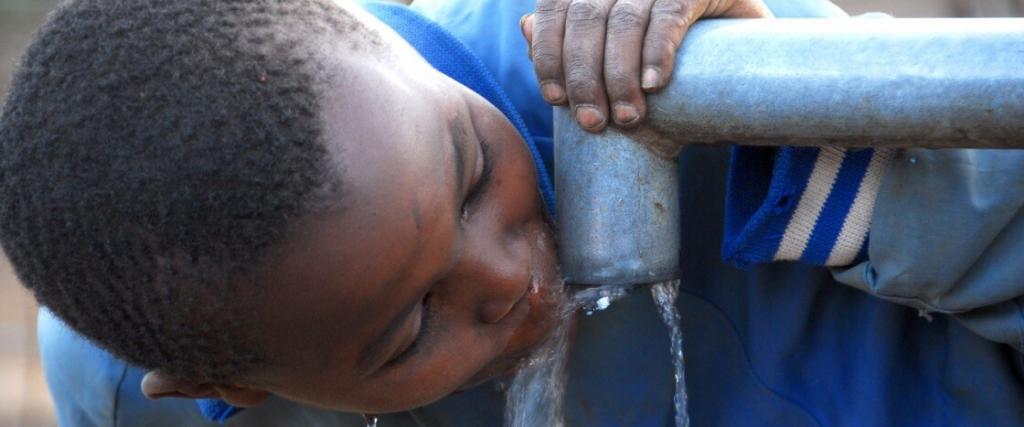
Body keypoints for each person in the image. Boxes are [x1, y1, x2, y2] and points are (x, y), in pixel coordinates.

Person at [5, 0, 1022, 426]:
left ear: (369, 31)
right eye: (409, 328)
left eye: (470, 170)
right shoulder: (127, 380)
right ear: (227, 384)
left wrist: (800, 120)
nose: (510, 277)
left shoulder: (670, 74)